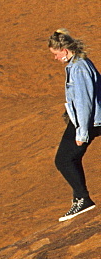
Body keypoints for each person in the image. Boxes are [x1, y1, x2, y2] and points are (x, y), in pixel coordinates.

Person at [48, 29, 101, 221]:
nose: (54, 58)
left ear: (64, 49)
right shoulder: (75, 65)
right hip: (81, 120)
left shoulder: (79, 68)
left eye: (55, 53)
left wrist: (82, 132)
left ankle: (83, 199)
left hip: (87, 122)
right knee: (69, 158)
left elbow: (84, 101)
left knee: (63, 159)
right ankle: (79, 198)